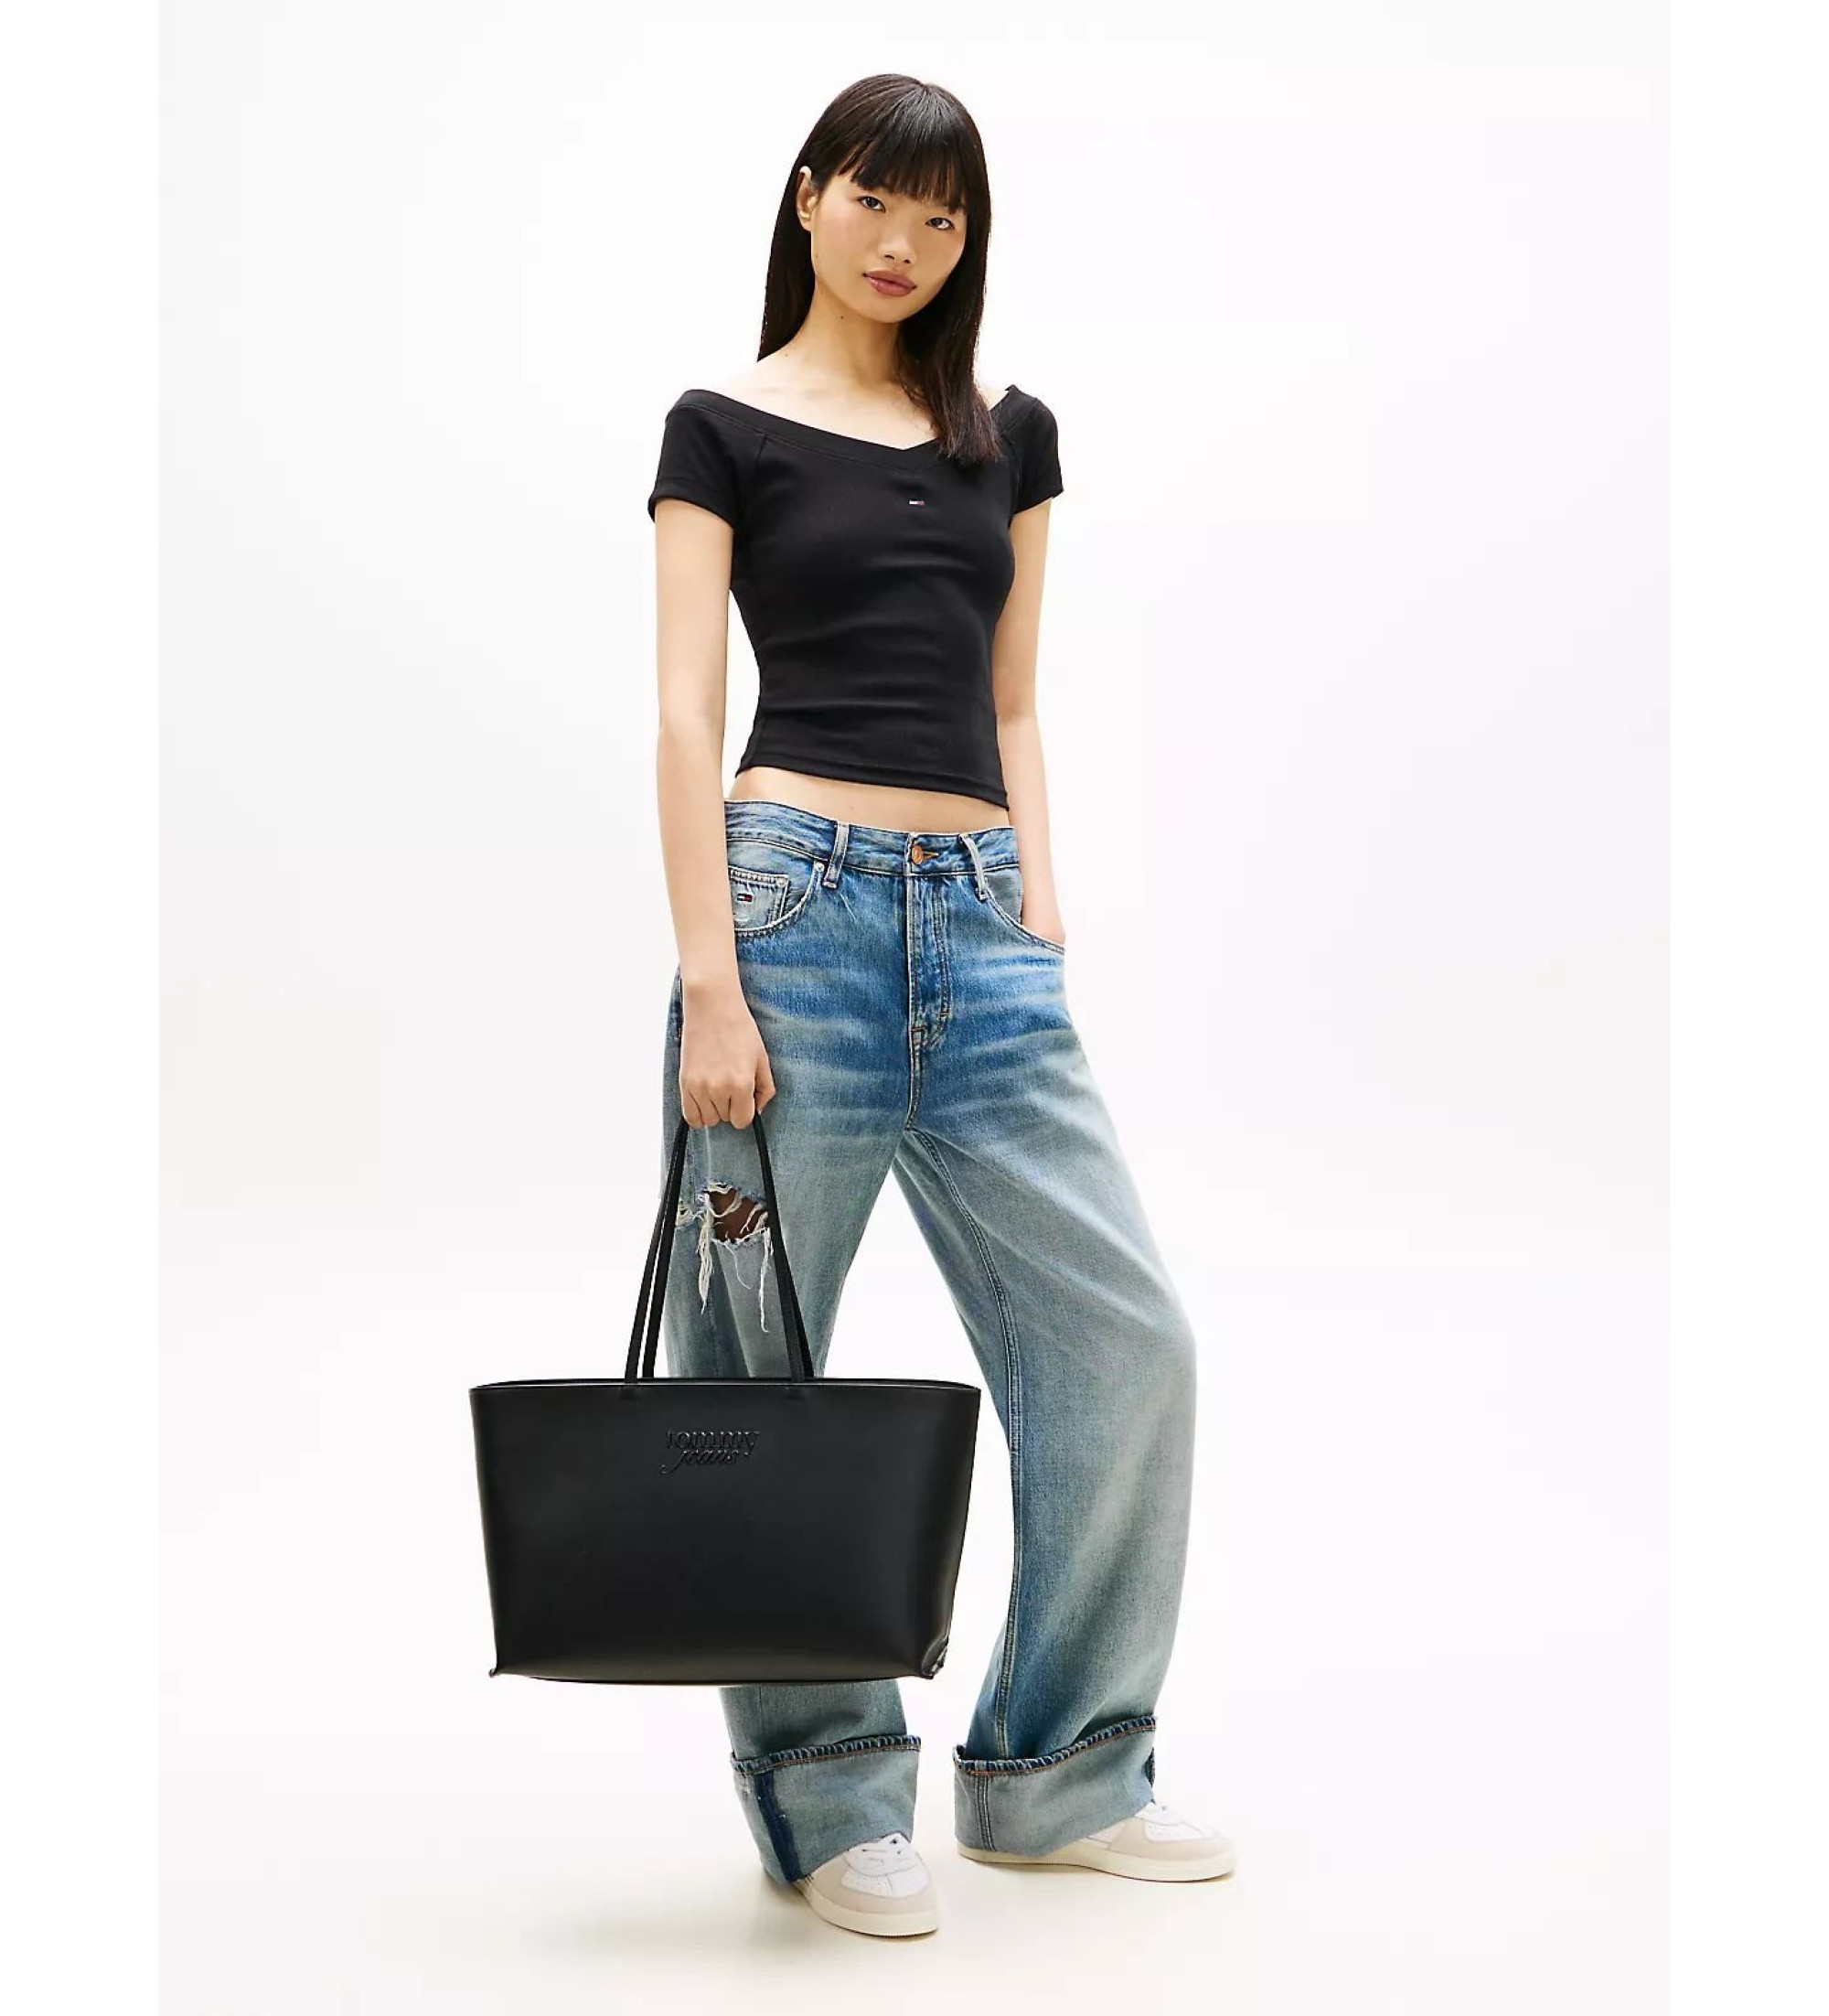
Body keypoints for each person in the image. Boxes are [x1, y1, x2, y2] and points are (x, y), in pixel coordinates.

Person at [646, 72, 1235, 1937]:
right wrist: (710, 979)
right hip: (788, 914)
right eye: (875, 201)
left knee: (1125, 1342)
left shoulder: (1008, 434)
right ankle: (829, 1800)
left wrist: (1035, 902)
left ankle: (1057, 1776)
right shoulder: (722, 425)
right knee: (759, 1375)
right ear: (808, 197)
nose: (903, 241)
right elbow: (682, 708)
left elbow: (1014, 696)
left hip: (981, 928)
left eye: (943, 215)